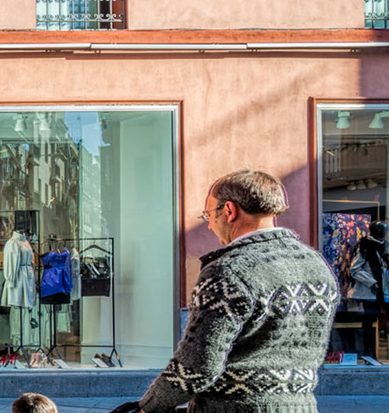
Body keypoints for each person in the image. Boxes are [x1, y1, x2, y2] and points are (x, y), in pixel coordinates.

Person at [128, 171, 337, 413]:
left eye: (208, 214)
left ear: (229, 210)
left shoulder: (228, 270)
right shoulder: (316, 265)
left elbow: (197, 365)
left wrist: (149, 407)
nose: (208, 224)